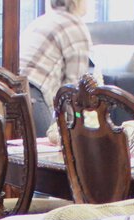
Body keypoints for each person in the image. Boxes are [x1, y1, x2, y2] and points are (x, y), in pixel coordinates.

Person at [19, 0, 93, 138]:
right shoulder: (75, 26)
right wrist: (74, 128)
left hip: (13, 92)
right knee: (44, 154)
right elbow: (74, 88)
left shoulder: (42, 20)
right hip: (34, 94)